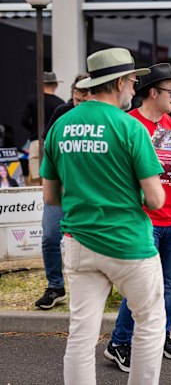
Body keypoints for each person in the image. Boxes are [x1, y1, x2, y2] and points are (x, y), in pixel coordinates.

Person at [40, 47, 167, 384]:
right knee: (151, 322)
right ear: (121, 82)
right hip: (129, 244)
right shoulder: (131, 128)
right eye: (132, 82)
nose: (133, 89)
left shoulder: (60, 126)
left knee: (81, 334)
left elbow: (51, 197)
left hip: (79, 242)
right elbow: (155, 200)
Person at [105, 63, 171, 372]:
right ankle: (119, 342)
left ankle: (162, 335)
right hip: (142, 220)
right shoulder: (129, 124)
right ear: (153, 92)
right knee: (140, 287)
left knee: (169, 285)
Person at [34, 73, 93, 310]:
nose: (79, 106)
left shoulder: (103, 118)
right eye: (76, 100)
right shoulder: (61, 112)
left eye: (85, 101)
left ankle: (93, 290)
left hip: (87, 190)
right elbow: (49, 146)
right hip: (60, 186)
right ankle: (55, 287)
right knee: (50, 235)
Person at [21, 71, 65, 185]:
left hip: (36, 140)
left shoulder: (33, 100)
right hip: (54, 142)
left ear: (41, 85)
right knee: (53, 176)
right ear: (55, 85)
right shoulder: (60, 103)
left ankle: (36, 202)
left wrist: (34, 130)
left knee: (36, 177)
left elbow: (24, 120)